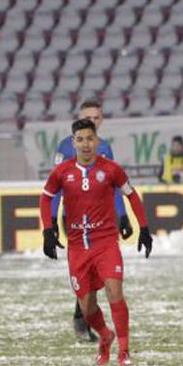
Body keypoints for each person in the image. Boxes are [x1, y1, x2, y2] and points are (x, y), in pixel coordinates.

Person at [40, 117, 153, 366]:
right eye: (80, 139)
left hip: (105, 242)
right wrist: (48, 231)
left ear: (97, 140)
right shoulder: (62, 172)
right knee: (86, 304)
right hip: (78, 247)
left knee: (115, 291)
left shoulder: (110, 169)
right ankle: (105, 336)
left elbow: (131, 195)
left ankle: (124, 351)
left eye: (90, 138)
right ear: (74, 142)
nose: (86, 144)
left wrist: (143, 227)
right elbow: (46, 198)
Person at [51, 99, 130, 342]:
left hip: (103, 219)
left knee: (103, 272)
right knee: (86, 271)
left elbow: (115, 186)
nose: (93, 122)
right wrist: (54, 219)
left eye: (96, 118)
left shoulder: (105, 147)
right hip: (74, 220)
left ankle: (82, 320)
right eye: (89, 117)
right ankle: (82, 319)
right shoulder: (65, 147)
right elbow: (55, 187)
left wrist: (123, 214)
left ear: (101, 120)